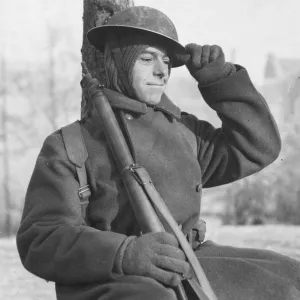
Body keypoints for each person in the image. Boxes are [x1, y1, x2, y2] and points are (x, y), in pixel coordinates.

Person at [16, 6, 300, 300]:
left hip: (189, 259)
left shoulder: (183, 131)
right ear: (120, 63)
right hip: (112, 276)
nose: (162, 70)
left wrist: (221, 81)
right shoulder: (71, 143)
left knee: (289, 278)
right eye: (147, 58)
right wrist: (124, 254)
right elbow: (41, 237)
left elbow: (258, 148)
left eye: (165, 60)